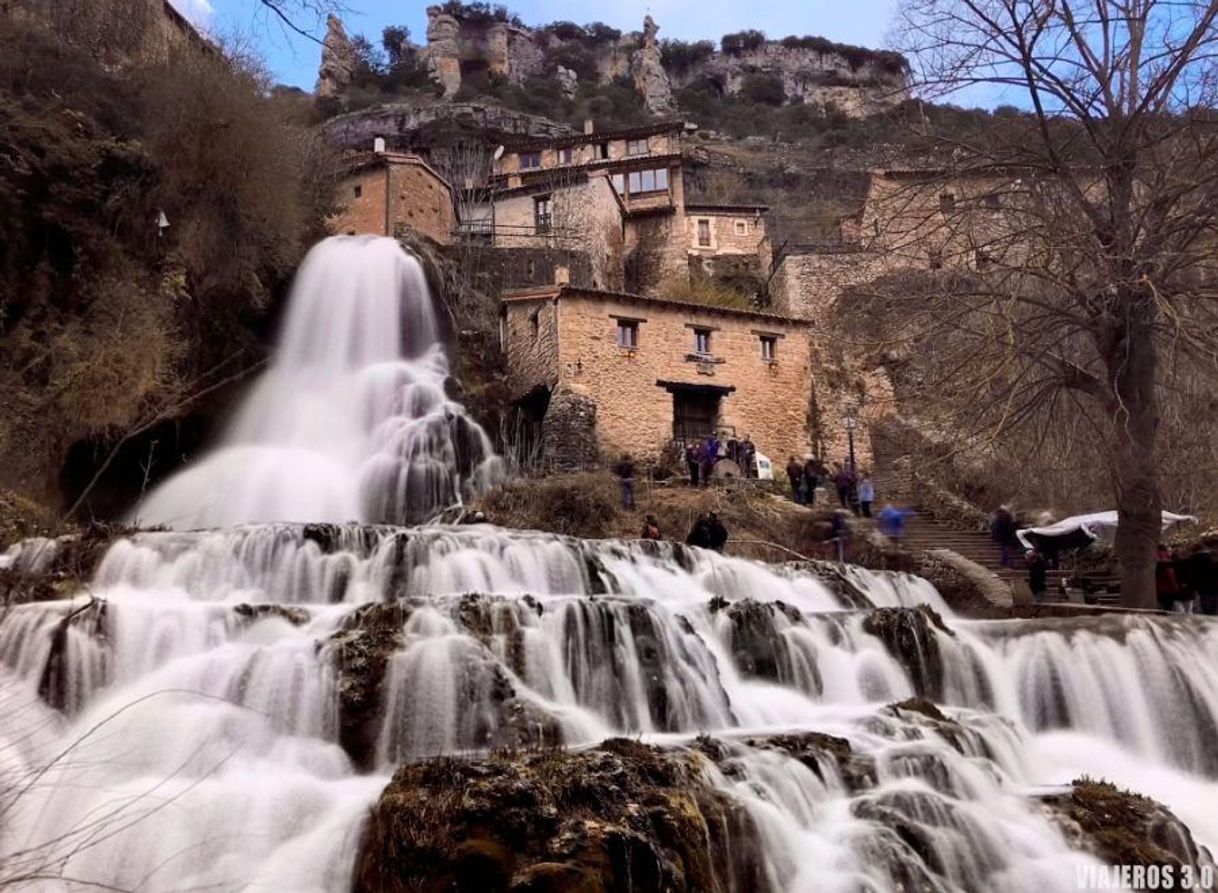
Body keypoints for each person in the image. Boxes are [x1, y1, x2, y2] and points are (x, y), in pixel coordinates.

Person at [1156, 543, 1180, 612]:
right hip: (1167, 589)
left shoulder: (1155, 558)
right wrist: (1175, 588)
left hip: (1158, 588)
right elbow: (1170, 576)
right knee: (1167, 609)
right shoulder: (1166, 559)